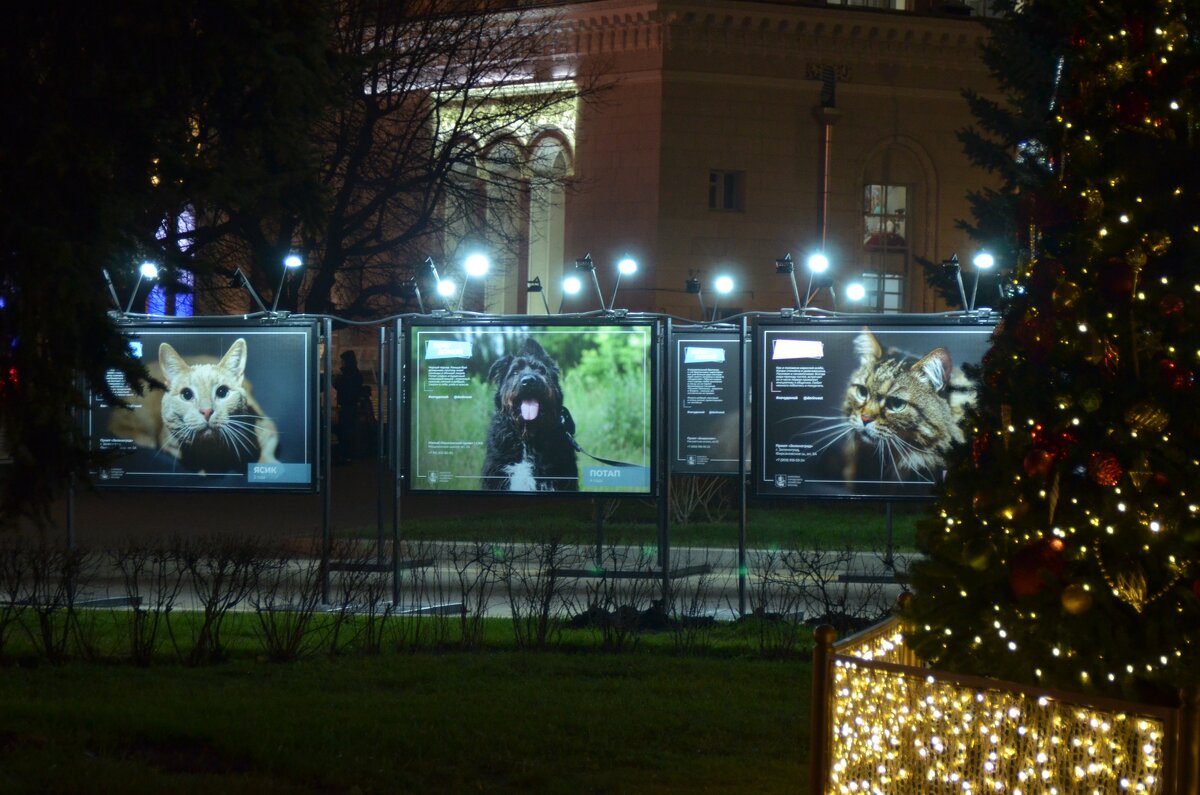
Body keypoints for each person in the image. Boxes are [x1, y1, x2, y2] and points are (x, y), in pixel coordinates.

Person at [333, 350, 364, 462]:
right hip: (351, 405)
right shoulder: (355, 373)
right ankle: (347, 455)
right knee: (347, 430)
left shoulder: (347, 374)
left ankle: (345, 455)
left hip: (347, 405)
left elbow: (342, 387)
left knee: (344, 431)